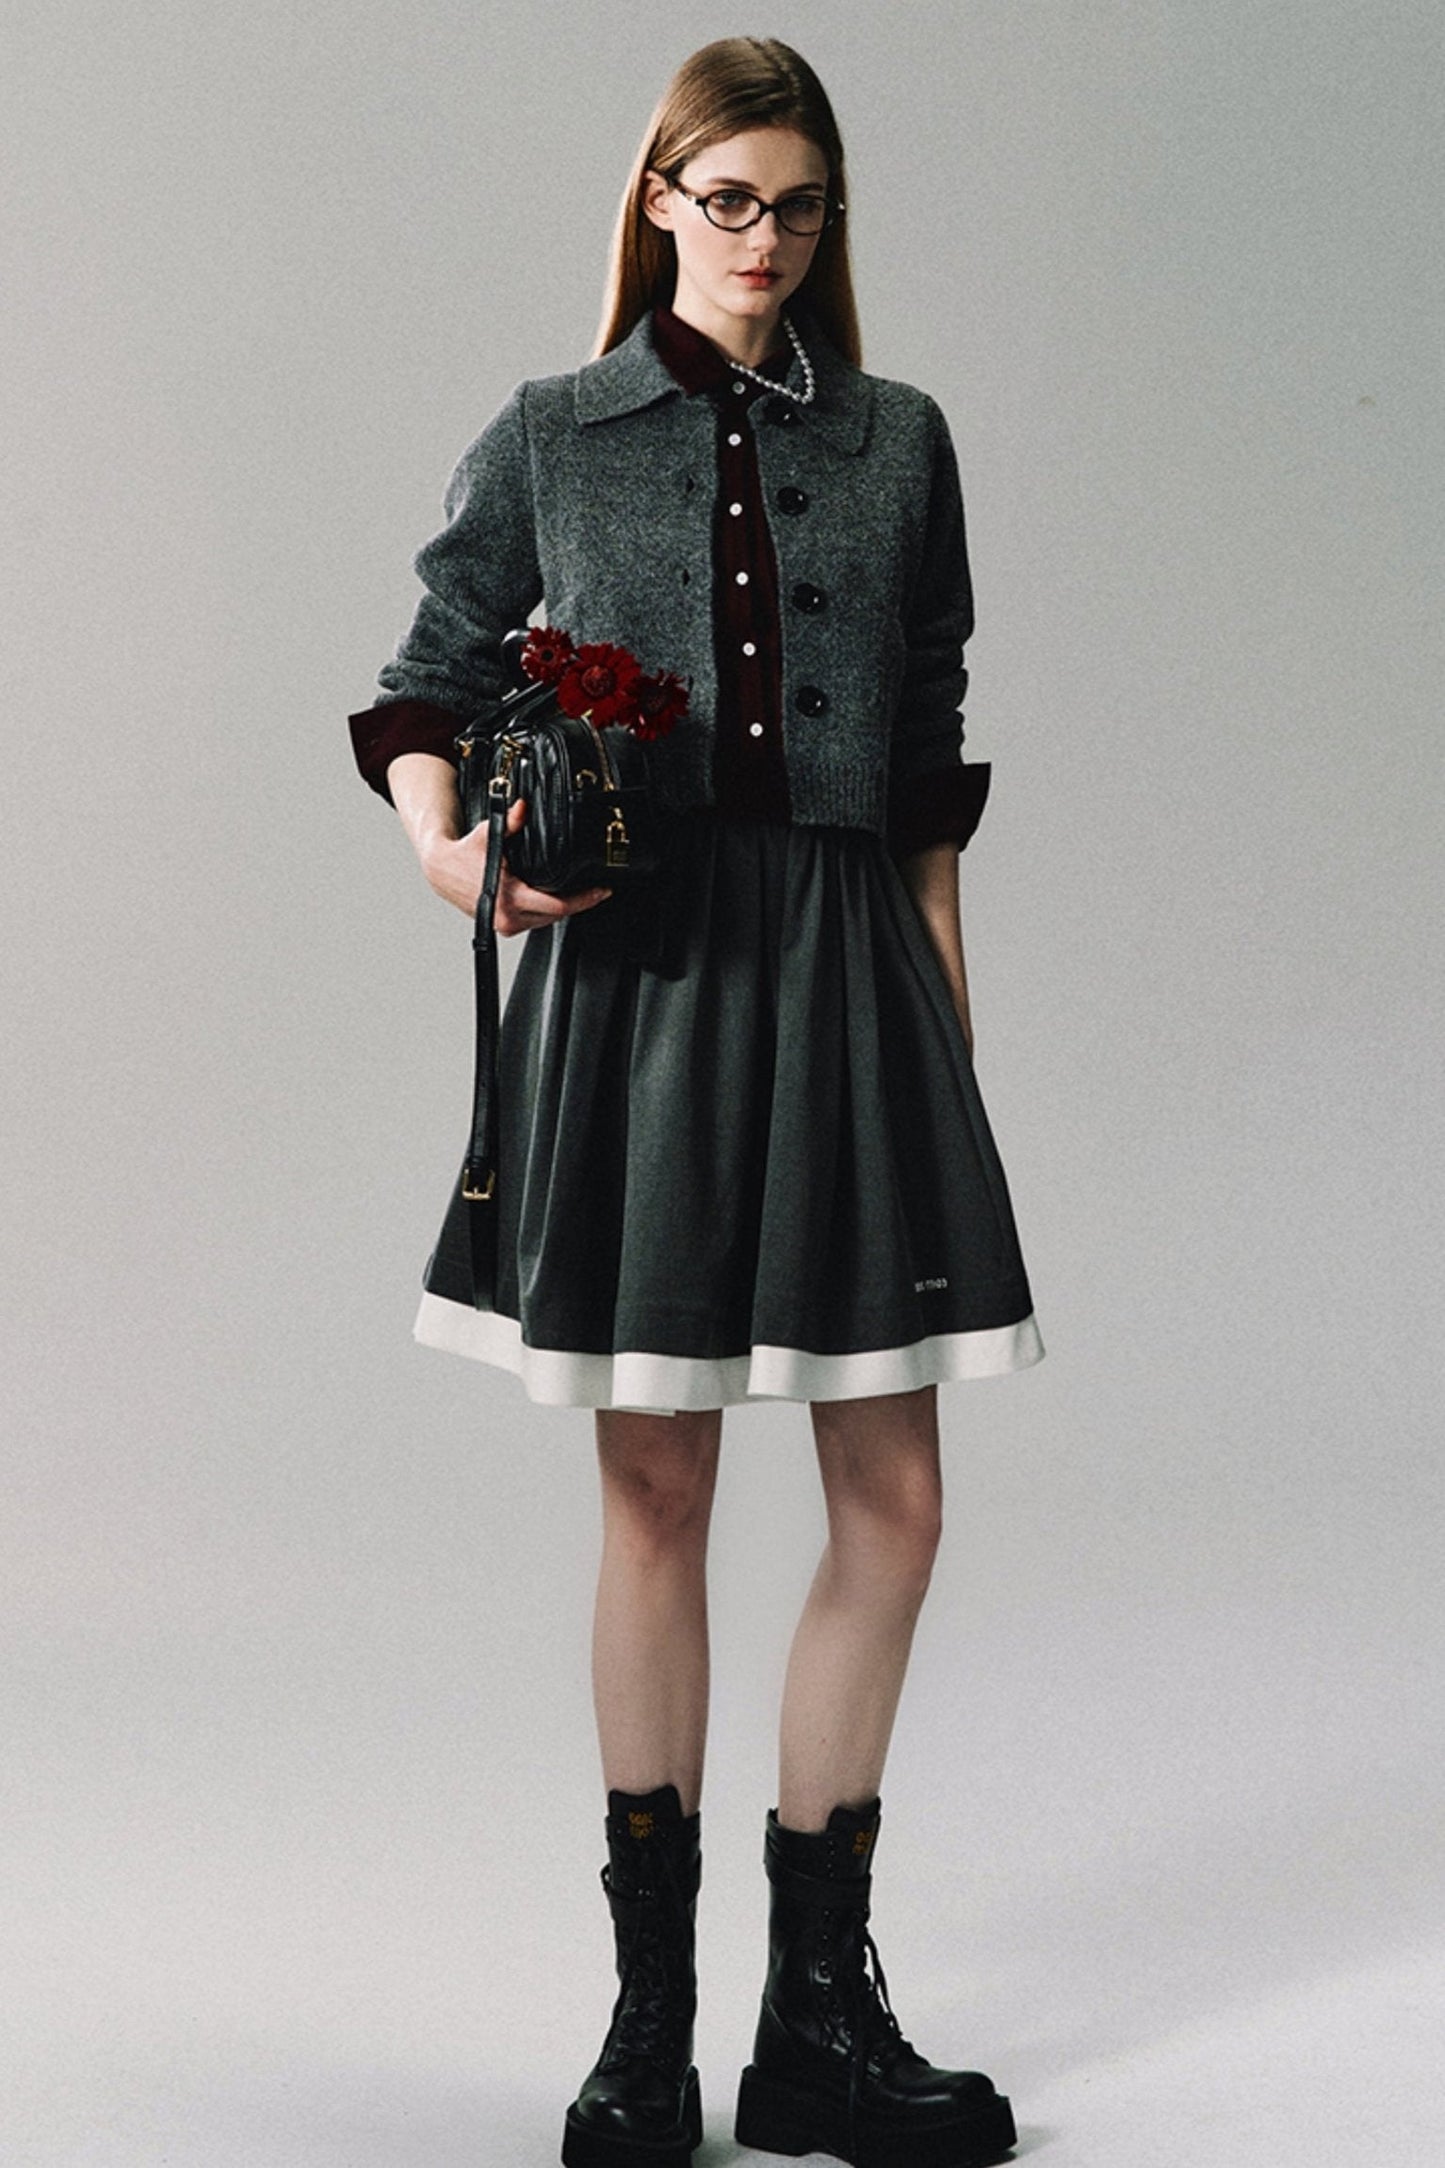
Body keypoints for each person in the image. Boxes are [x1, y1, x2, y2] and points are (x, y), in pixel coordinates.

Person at [350, 35, 1042, 2168]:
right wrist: (456, 858)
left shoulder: (902, 440)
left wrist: (945, 1023)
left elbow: (922, 756)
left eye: (798, 206)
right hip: (641, 982)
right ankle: (646, 2028)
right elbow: (428, 674)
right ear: (656, 198)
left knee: (894, 1498)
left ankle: (813, 2021)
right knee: (654, 1491)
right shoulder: (555, 432)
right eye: (727, 198)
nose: (764, 239)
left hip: (849, 971)